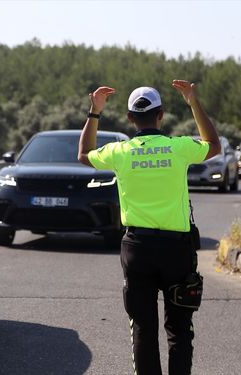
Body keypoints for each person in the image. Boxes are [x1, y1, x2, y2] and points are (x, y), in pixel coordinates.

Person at [77, 80, 220, 375]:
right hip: (176, 250)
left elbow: (84, 154)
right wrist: (193, 102)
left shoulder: (120, 151)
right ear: (161, 115)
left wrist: (94, 112)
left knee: (142, 328)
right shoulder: (178, 148)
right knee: (179, 329)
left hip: (137, 248)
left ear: (130, 118)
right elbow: (214, 145)